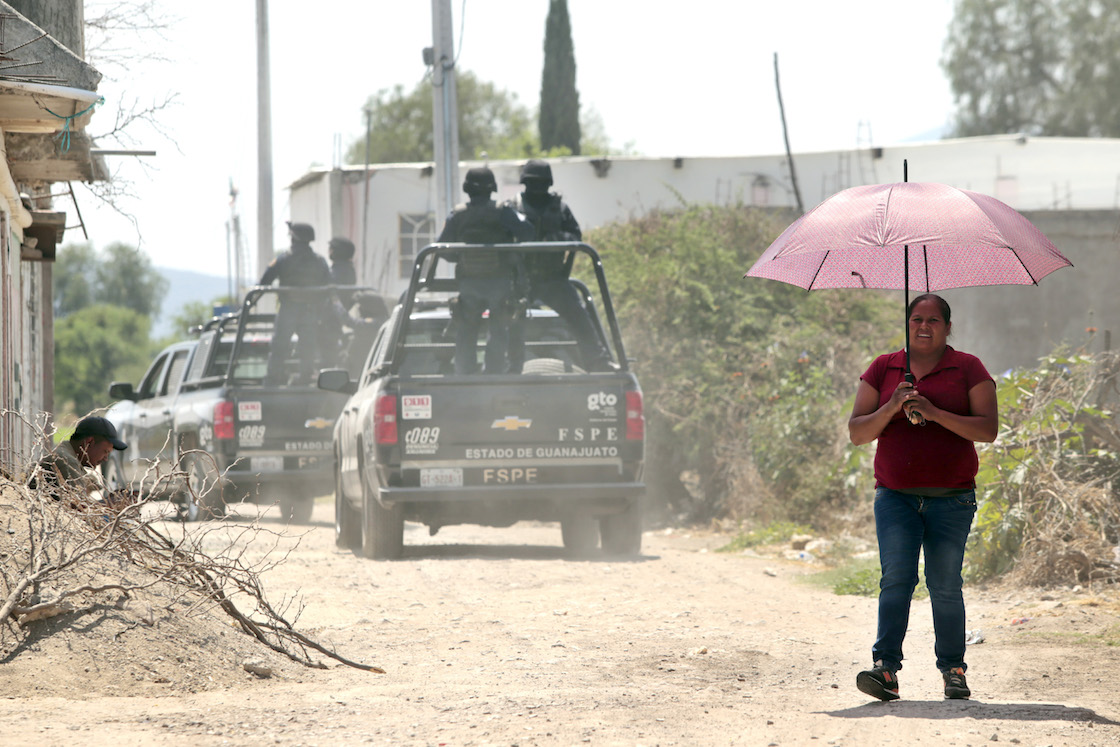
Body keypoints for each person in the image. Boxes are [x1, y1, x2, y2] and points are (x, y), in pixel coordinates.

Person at [847, 293, 998, 702]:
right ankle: (886, 671)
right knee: (896, 579)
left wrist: (933, 412)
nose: (924, 326)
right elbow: (858, 433)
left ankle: (953, 669)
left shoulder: (968, 368)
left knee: (945, 584)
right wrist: (893, 405)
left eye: (934, 320)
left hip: (952, 499)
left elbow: (987, 430)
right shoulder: (883, 369)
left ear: (948, 327)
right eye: (916, 319)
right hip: (895, 497)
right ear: (907, 325)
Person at [507, 159, 612, 372]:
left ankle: (597, 361)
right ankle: (509, 366)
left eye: (541, 183)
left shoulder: (560, 209)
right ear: (524, 183)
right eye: (532, 183)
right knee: (509, 323)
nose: (537, 188)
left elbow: (576, 236)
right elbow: (501, 237)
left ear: (549, 183)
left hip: (553, 279)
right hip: (521, 280)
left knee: (580, 318)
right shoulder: (512, 206)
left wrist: (555, 237)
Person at [437, 165, 533, 374]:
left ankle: (464, 376)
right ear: (492, 188)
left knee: (466, 329)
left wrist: (462, 258)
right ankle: (493, 375)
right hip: (499, 282)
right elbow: (527, 232)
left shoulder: (457, 215)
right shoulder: (503, 211)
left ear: (467, 189)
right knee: (498, 330)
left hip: (469, 283)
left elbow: (442, 248)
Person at [259, 221, 332, 384]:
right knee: (308, 346)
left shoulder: (283, 259)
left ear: (293, 239)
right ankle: (305, 377)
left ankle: (273, 378)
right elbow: (328, 287)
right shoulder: (320, 261)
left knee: (280, 345)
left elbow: (264, 282)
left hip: (288, 310)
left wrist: (250, 303)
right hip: (310, 310)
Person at [31, 415, 131, 510]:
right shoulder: (67, 461)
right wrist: (110, 503)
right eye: (105, 452)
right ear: (89, 442)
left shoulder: (63, 452)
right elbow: (79, 510)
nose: (106, 459)